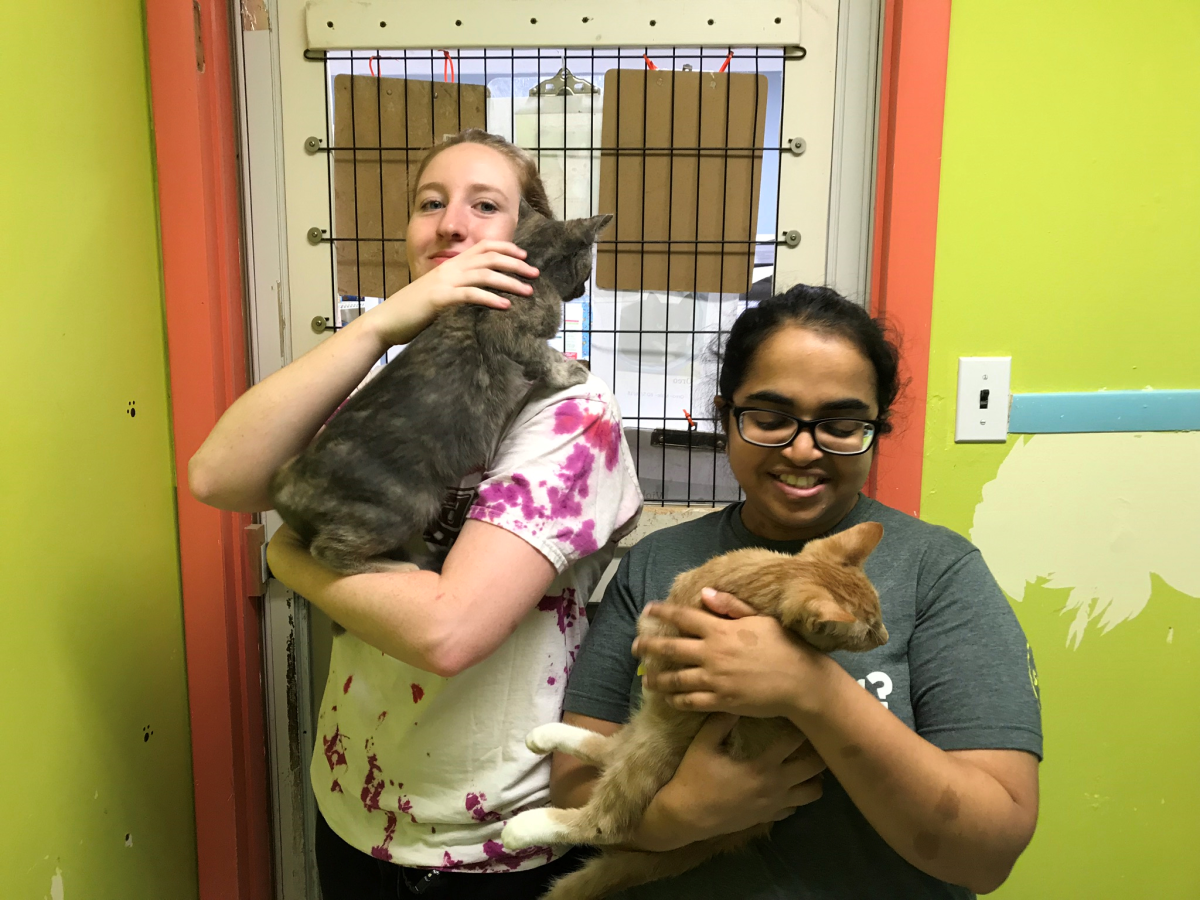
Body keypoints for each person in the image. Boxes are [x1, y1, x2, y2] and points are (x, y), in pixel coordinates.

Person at [189, 129, 643, 900]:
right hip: (354, 803)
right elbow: (217, 477)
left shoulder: (571, 414)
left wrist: (289, 559)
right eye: (430, 204)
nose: (451, 224)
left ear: (530, 235)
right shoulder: (391, 377)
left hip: (498, 836)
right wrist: (376, 327)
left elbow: (447, 631)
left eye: (485, 205)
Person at [555, 284, 1042, 899]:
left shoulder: (936, 571)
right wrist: (681, 817)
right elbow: (574, 790)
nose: (803, 447)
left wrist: (812, 690)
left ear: (876, 429)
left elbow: (986, 855)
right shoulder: (660, 565)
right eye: (769, 417)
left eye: (840, 424)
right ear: (724, 416)